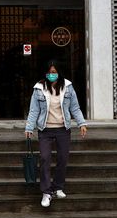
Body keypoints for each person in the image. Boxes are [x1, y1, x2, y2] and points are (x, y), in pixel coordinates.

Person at [25, 60, 88, 208]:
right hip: (45, 130)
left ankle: (58, 187)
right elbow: (34, 110)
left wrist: (82, 123)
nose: (51, 75)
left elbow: (75, 107)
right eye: (49, 72)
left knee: (62, 159)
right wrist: (29, 128)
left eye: (54, 72)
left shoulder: (67, 87)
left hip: (63, 129)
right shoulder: (39, 88)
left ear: (59, 72)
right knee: (45, 158)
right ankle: (46, 192)